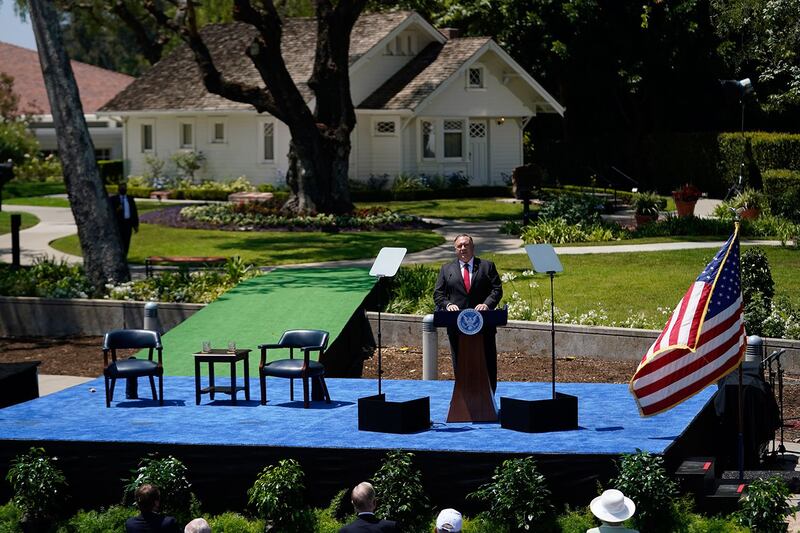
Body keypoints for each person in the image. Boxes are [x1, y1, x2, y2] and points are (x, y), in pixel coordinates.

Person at [433, 234, 503, 391]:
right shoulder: (446, 269)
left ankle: (489, 396)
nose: (463, 248)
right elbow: (438, 294)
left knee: (487, 361)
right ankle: (463, 395)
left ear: (473, 248)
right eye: (459, 246)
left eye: (466, 245)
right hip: (457, 328)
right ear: (455, 249)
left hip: (484, 326)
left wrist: (487, 305)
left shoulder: (487, 266)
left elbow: (497, 290)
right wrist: (448, 304)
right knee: (461, 362)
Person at [109, 182, 139, 256]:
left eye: (124, 187)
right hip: (118, 224)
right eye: (122, 188)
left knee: (126, 241)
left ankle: (125, 256)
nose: (123, 189)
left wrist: (135, 225)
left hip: (128, 223)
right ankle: (118, 256)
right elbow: (109, 212)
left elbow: (134, 212)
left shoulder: (130, 199)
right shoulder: (113, 199)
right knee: (119, 242)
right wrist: (117, 210)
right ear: (118, 189)